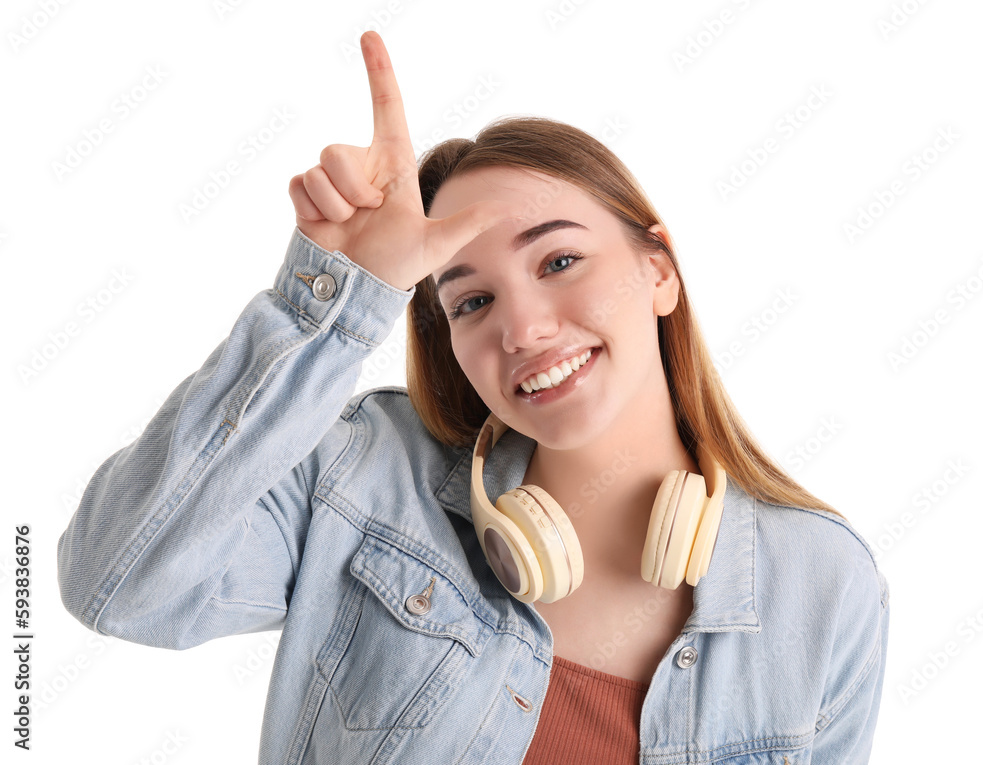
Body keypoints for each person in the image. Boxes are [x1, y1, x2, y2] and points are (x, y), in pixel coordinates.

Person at [57, 30, 889, 764]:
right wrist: (334, 299)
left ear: (658, 270)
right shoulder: (365, 475)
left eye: (559, 261)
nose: (521, 328)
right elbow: (120, 584)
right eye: (471, 301)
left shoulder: (823, 586)